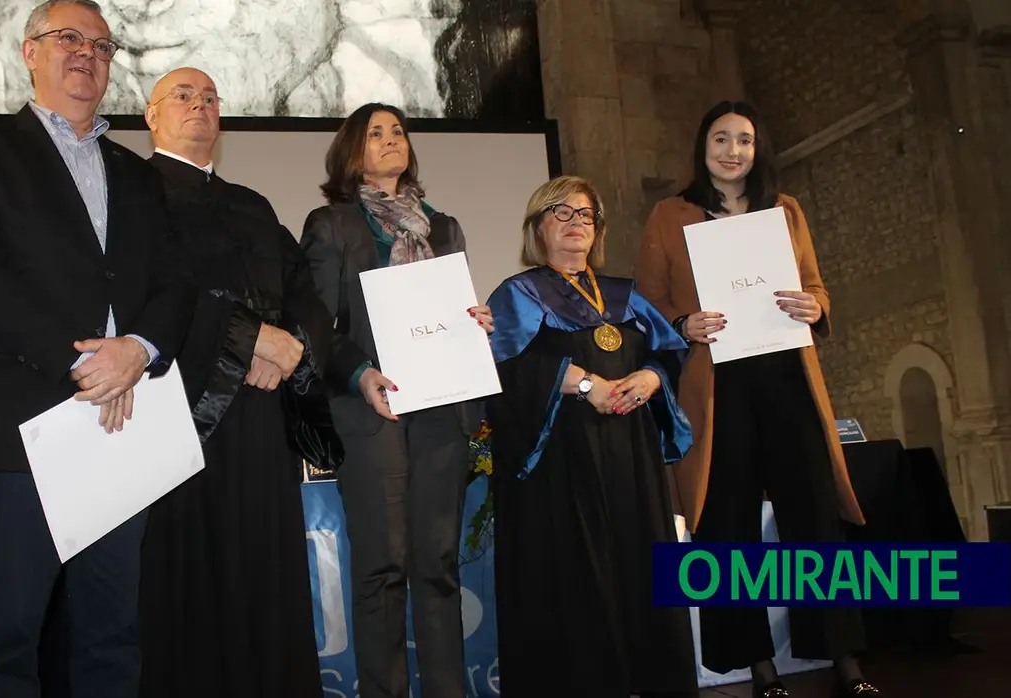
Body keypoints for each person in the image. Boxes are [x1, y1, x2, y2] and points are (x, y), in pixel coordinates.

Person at [0, 2, 190, 696]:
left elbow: (172, 282)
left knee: (113, 636)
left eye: (102, 46)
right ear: (29, 52)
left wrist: (136, 349)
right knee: (9, 639)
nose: (86, 53)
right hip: (21, 426)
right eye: (68, 39)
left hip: (123, 424)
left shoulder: (138, 175)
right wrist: (82, 362)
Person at [634, 100, 880, 698]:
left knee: (815, 517)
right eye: (720, 139)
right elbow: (647, 304)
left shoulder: (785, 210)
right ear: (703, 147)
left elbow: (815, 286)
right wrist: (683, 323)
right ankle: (759, 669)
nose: (732, 150)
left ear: (756, 149)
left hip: (787, 376)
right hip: (717, 386)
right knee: (727, 523)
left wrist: (815, 306)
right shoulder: (670, 215)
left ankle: (844, 659)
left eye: (743, 140)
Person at [137, 66, 335, 697]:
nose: (200, 106)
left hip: (258, 419)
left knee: (262, 570)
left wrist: (288, 346)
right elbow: (154, 291)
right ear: (152, 115)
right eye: (183, 96)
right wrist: (245, 339)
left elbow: (300, 290)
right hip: (179, 411)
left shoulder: (253, 205)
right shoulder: (133, 192)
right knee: (184, 575)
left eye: (211, 98)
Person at [300, 102, 493, 698]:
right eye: (375, 132)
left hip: (441, 410)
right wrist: (358, 372)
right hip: (371, 413)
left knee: (437, 567)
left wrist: (475, 320)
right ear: (352, 151)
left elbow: (452, 308)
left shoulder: (445, 227)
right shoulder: (333, 224)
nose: (390, 139)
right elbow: (313, 323)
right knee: (383, 569)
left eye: (398, 131)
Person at [484, 175, 698, 698]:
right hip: (559, 460)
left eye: (586, 214)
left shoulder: (625, 295)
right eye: (562, 212)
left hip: (630, 456)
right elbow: (505, 371)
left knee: (641, 567)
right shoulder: (517, 296)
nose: (577, 223)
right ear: (537, 227)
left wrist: (650, 377)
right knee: (574, 577)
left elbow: (668, 352)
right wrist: (581, 383)